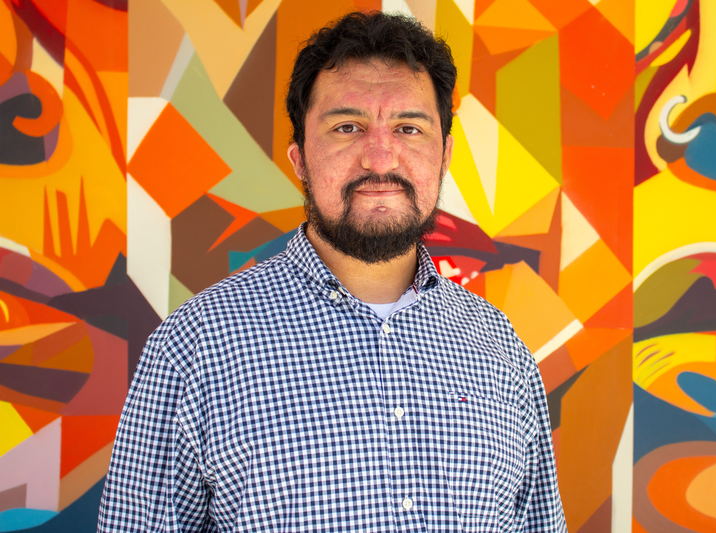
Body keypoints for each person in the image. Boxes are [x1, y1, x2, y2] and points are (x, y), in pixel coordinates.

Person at [98, 11, 566, 532]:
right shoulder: (195, 348)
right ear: (299, 158)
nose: (380, 157)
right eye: (348, 127)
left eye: (409, 128)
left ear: (445, 155)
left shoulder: (500, 348)